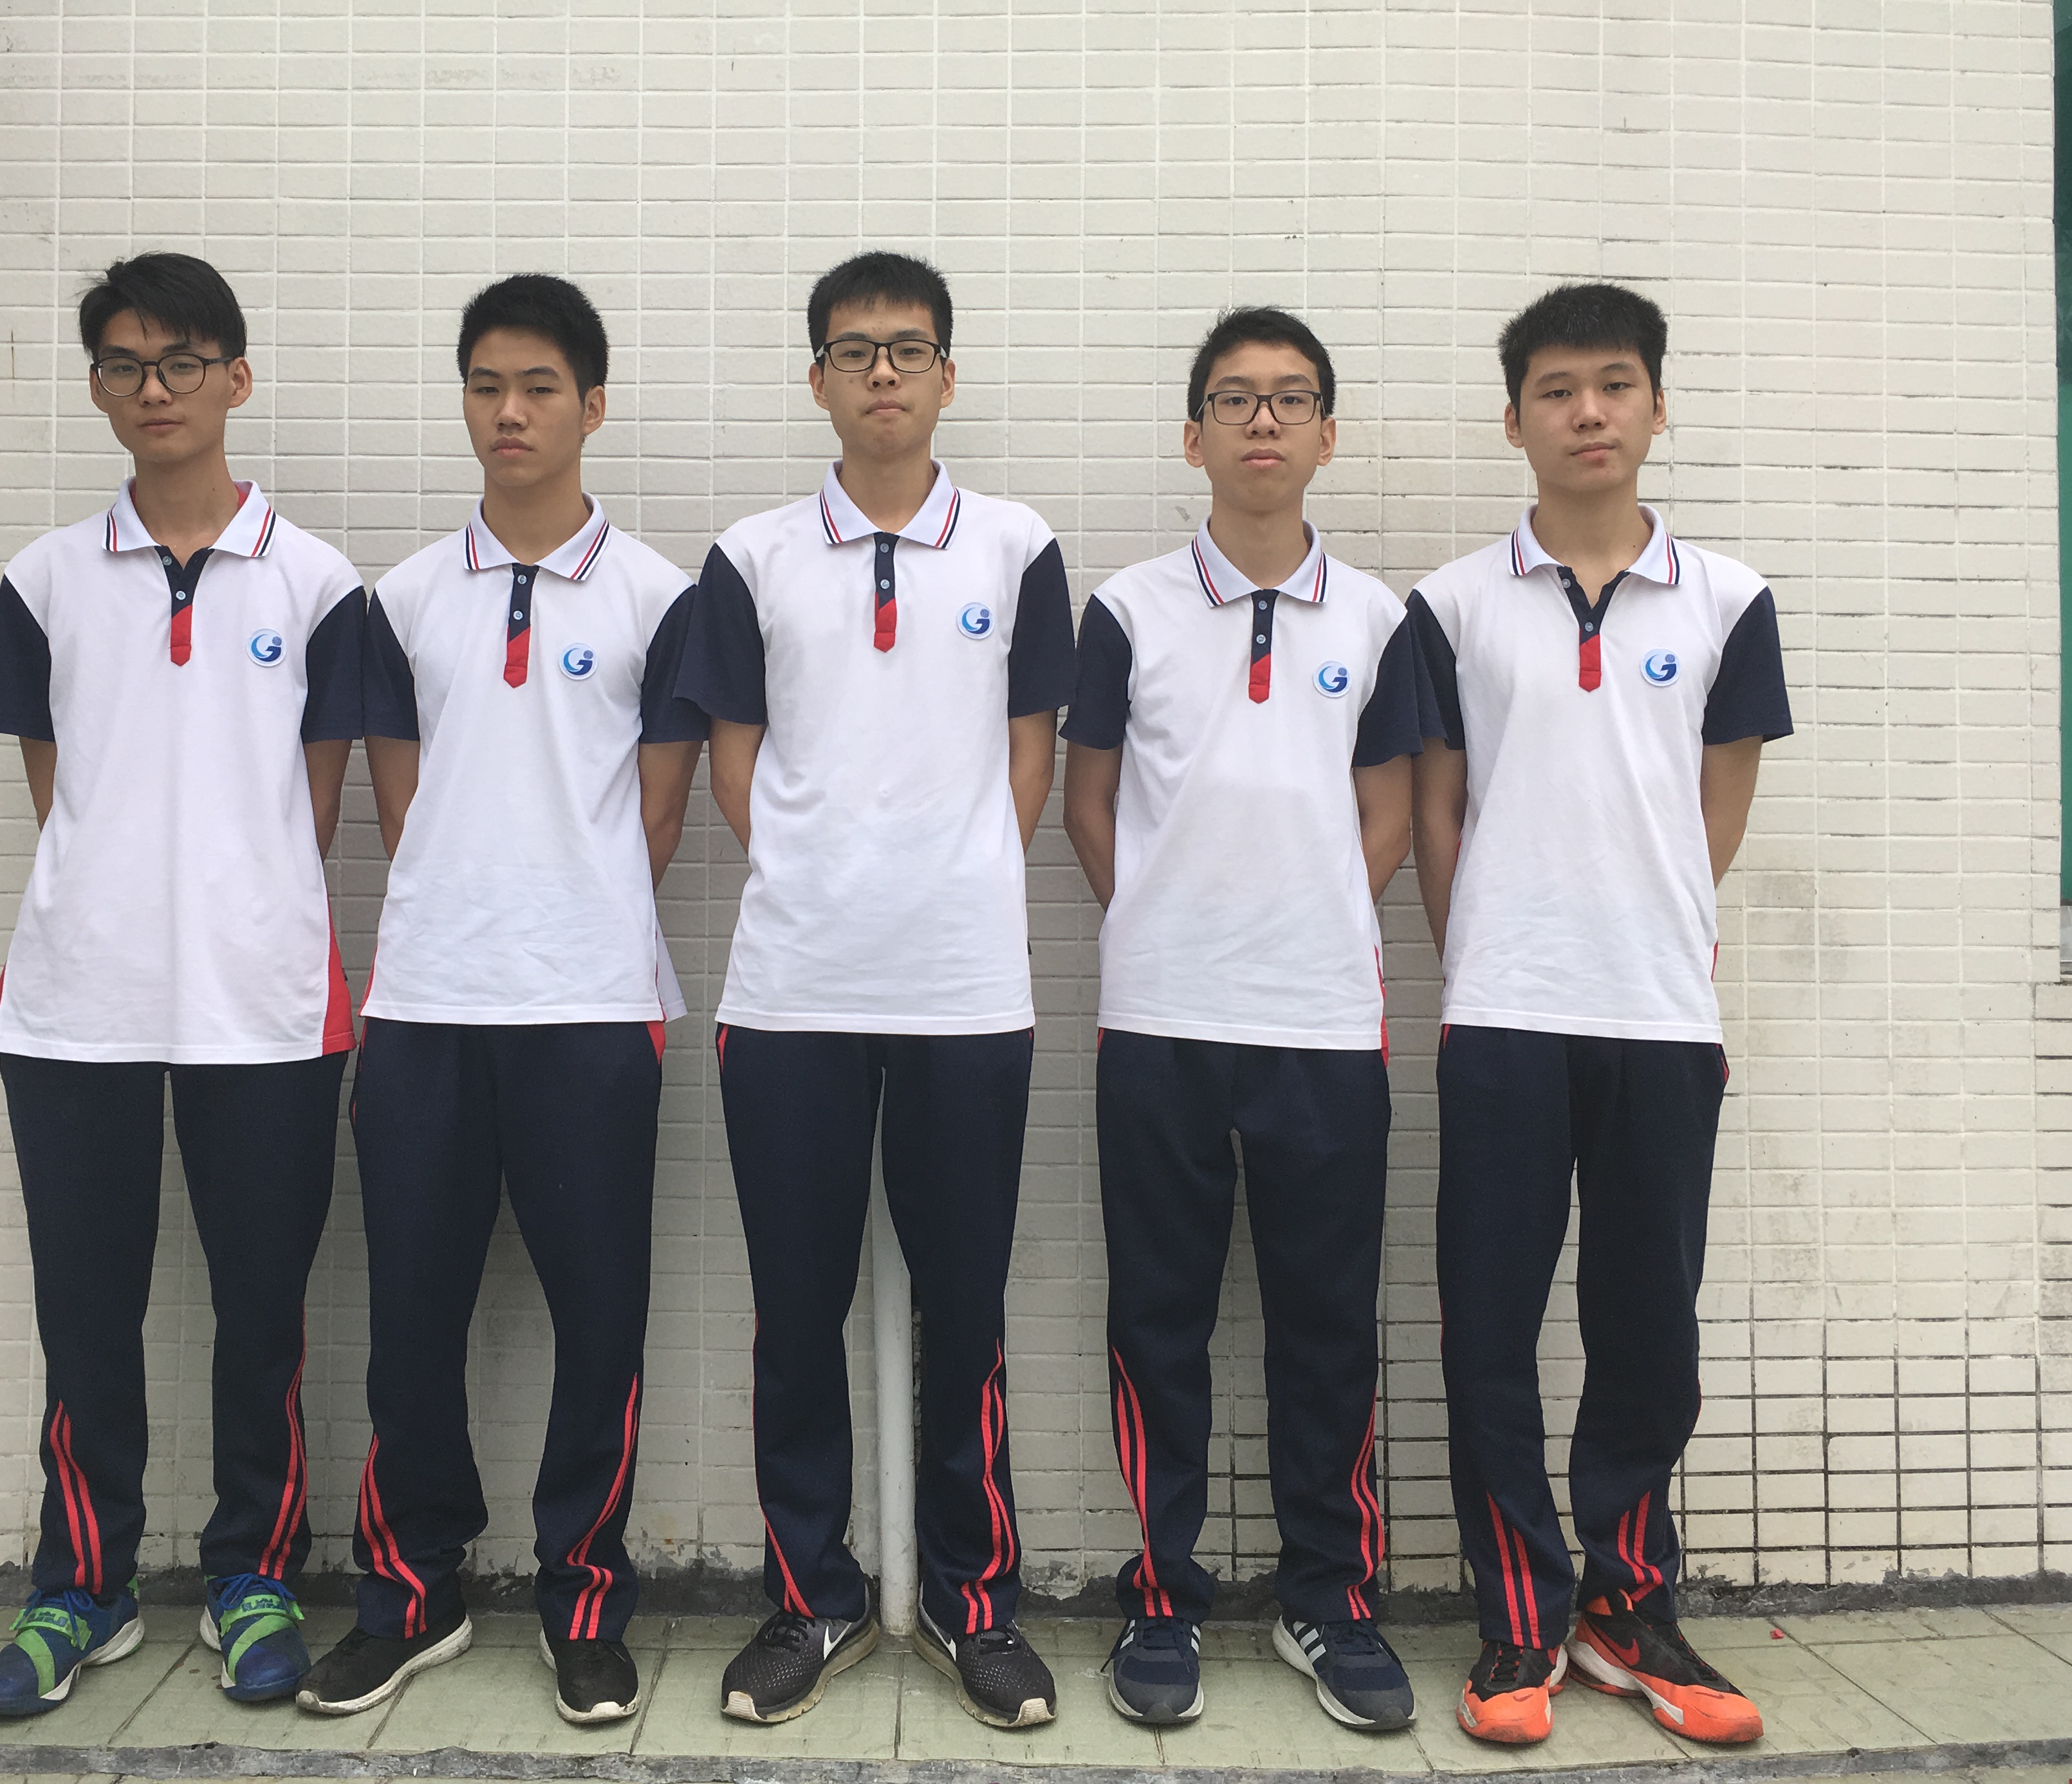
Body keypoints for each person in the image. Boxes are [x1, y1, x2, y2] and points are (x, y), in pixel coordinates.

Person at [293, 276, 707, 1728]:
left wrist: (565, 923)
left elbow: (659, 817)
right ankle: (412, 1595)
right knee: (411, 1319)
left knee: (601, 1322)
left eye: (538, 387)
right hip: (425, 1009)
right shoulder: (401, 600)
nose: (510, 412)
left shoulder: (662, 599)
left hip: (593, 1006)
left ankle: (584, 1603)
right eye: (485, 386)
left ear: (593, 405)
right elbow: (402, 812)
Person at [676, 252, 1077, 1731]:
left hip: (967, 991)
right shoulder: (753, 557)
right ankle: (815, 1597)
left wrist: (957, 881)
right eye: (856, 351)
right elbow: (734, 763)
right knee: (799, 1308)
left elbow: (1031, 752)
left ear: (947, 375)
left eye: (910, 349)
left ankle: (976, 1604)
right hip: (793, 991)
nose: (885, 373)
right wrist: (817, 876)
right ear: (820, 381)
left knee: (964, 1309)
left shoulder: (1018, 548)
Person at [0, 253, 365, 1716]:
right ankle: (84, 1587)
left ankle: (254, 1576)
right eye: (127, 366)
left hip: (264, 1006)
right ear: (97, 390)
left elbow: (310, 806)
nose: (156, 389)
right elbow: (60, 793)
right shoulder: (45, 581)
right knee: (86, 1315)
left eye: (184, 362)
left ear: (236, 379)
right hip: (78, 1004)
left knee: (263, 1313)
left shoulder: (319, 584)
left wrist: (224, 908)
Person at [1407, 282, 1791, 1748]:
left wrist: (1648, 926)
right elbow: (1440, 811)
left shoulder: (1728, 600)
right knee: (1490, 1324)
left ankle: (1628, 1609)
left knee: (1647, 1326)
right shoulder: (1451, 606)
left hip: (1659, 1014)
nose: (1588, 413)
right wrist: (1487, 951)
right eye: (1557, 390)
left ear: (1657, 406)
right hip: (1505, 1011)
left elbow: (1716, 808)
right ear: (1514, 419)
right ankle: (1519, 1618)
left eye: (1615, 385)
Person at [1062, 309, 1425, 1733]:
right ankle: (1163, 1596)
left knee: (1326, 1327)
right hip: (1160, 1023)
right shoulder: (1127, 610)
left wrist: (1304, 917)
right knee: (1159, 1321)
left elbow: (1390, 813)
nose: (1262, 421)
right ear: (1193, 435)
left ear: (1328, 435)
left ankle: (1328, 1597)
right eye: (1234, 399)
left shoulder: (1382, 621)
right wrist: (1167, 919)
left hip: (1324, 1027)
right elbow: (1088, 801)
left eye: (1289, 400)